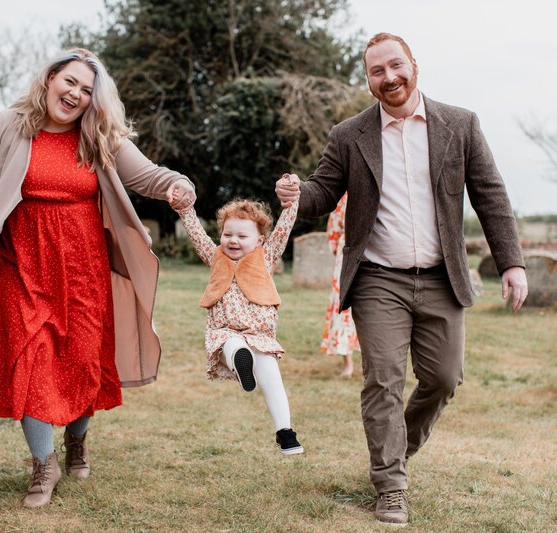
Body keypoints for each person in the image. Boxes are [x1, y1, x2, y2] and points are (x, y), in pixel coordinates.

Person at [0, 48, 196, 508]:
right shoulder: (11, 126)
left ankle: (77, 442)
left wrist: (176, 186)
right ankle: (42, 466)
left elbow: (147, 176)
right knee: (29, 363)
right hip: (21, 269)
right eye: (70, 82)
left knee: (82, 362)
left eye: (87, 90)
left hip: (83, 273)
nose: (76, 94)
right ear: (49, 78)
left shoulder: (97, 134)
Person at [276, 33, 528, 525]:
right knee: (383, 381)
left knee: (442, 379)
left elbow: (490, 195)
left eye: (396, 66)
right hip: (378, 279)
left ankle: (396, 452)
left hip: (441, 277)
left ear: (414, 64)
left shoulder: (460, 124)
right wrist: (294, 193)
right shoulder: (350, 135)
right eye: (377, 71)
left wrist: (512, 262)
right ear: (368, 80)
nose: (389, 78)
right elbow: (322, 191)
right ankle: (390, 484)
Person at [170, 187, 303, 456]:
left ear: (260, 240)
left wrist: (291, 204)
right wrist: (185, 210)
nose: (233, 240)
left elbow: (283, 231)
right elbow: (196, 235)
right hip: (226, 329)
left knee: (271, 375)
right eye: (227, 234)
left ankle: (285, 432)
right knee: (232, 345)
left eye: (242, 236)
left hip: (259, 333)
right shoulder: (215, 256)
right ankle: (240, 362)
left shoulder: (266, 257)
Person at [319, 192, 360, 378]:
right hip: (347, 252)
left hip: (375, 252)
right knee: (343, 307)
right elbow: (334, 229)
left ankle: (371, 361)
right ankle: (348, 363)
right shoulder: (344, 197)